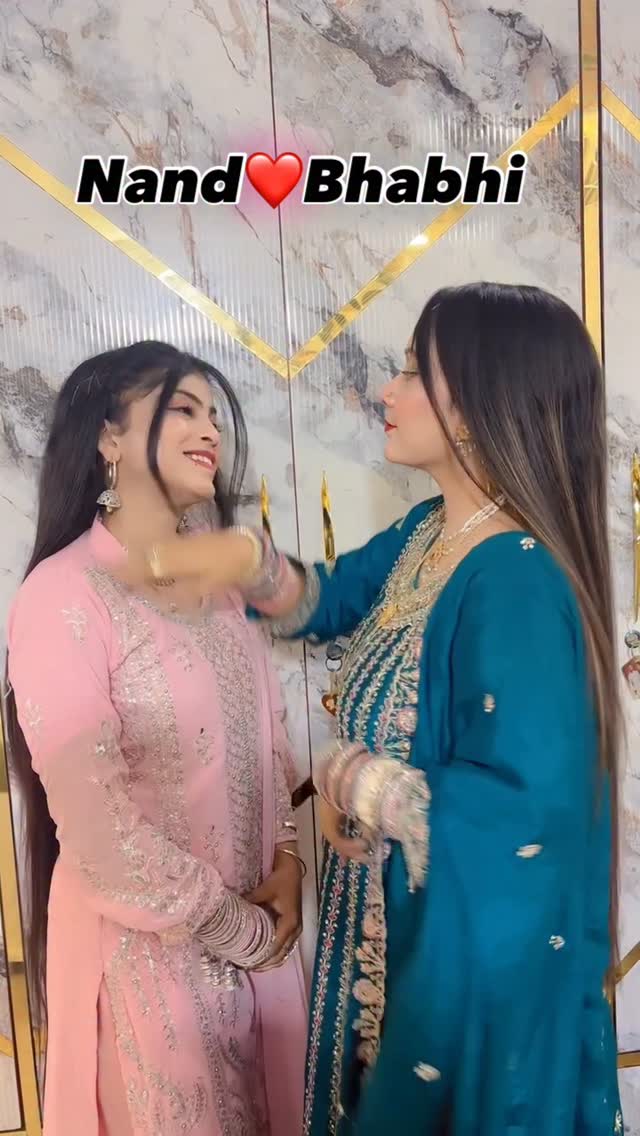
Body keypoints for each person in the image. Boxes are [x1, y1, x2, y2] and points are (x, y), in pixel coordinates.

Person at [114, 283, 623, 1134]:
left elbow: (525, 813)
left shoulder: (517, 579)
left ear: (477, 404)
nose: (386, 391)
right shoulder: (429, 533)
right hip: (381, 929)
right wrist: (244, 558)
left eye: (412, 372)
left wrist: (353, 777)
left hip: (446, 956)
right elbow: (326, 598)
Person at [4, 341, 307, 1136]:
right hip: (145, 964)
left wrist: (287, 862)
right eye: (183, 409)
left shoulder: (219, 592)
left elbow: (267, 747)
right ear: (108, 436)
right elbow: (98, 832)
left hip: (260, 959)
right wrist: (239, 930)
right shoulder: (64, 596)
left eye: (214, 416)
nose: (210, 431)